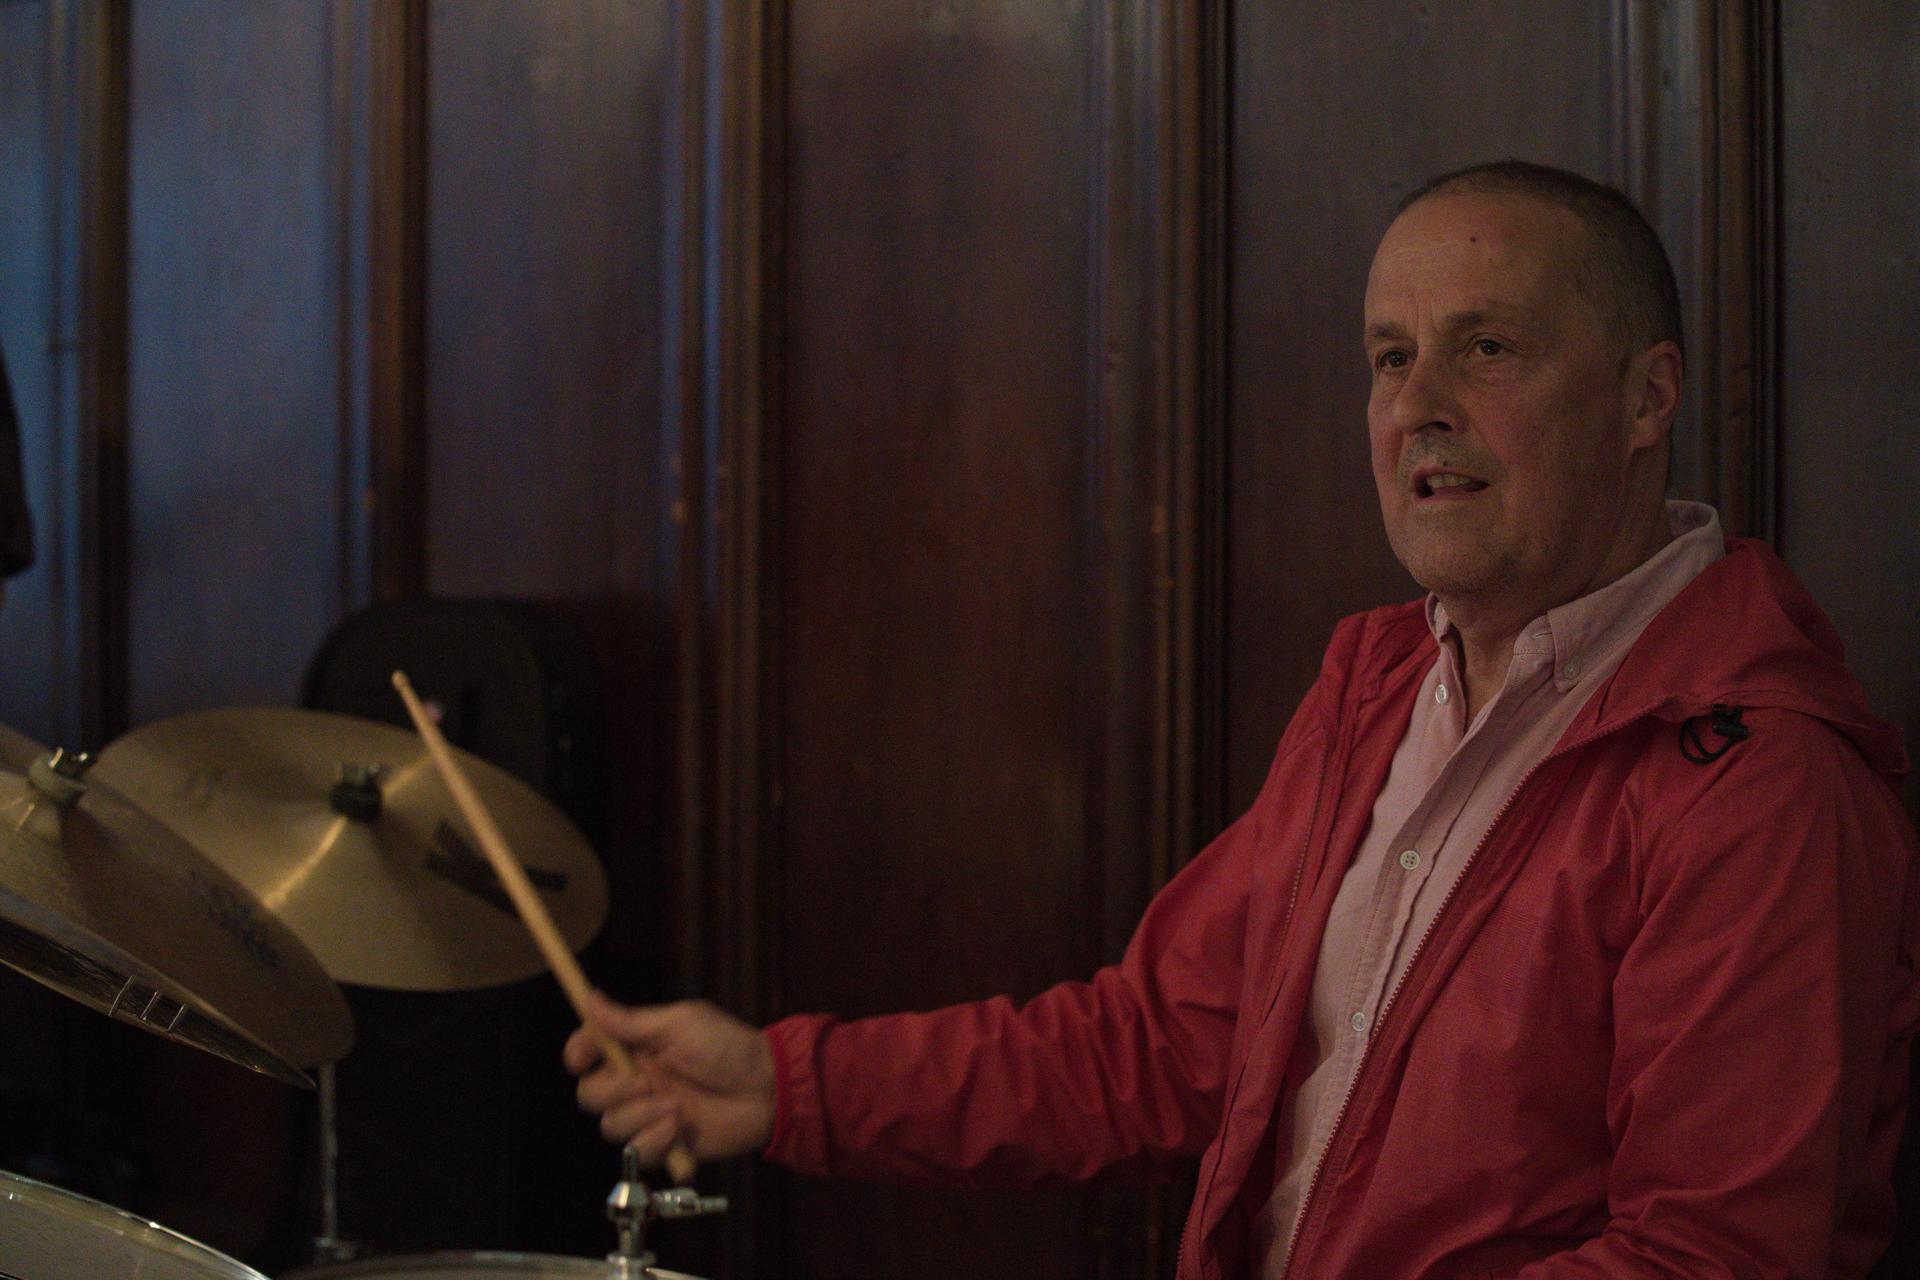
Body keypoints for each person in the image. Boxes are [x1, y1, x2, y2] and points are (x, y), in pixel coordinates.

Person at [566, 161, 1920, 1278]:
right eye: (1390, 358)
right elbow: (1157, 1048)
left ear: (1646, 397)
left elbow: (1707, 1257)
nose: (1419, 408)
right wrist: (789, 1087)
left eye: (1487, 348)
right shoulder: (1377, 689)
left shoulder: (1760, 782)